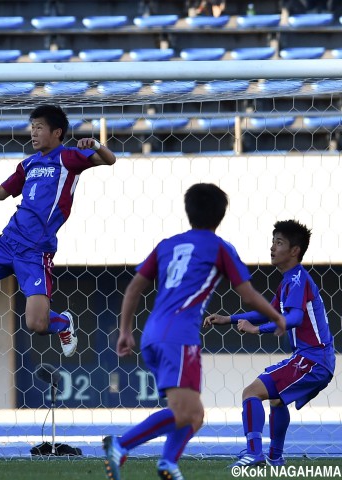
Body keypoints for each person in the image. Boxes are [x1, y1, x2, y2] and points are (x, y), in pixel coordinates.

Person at [102, 183, 286, 480]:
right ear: (221, 214)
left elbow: (135, 287)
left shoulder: (167, 244)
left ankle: (168, 463)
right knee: (187, 412)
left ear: (189, 212)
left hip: (152, 334)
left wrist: (125, 330)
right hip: (180, 337)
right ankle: (121, 445)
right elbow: (249, 295)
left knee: (194, 414)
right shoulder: (220, 248)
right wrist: (276, 317)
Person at [0, 104, 116, 370]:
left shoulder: (69, 158)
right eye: (32, 128)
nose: (34, 133)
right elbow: (0, 192)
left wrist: (96, 144)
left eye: (39, 127)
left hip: (36, 252)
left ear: (57, 132)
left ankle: (62, 322)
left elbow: (110, 160)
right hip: (7, 242)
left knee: (36, 325)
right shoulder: (27, 164)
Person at [204, 220, 335, 468]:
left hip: (312, 359)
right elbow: (268, 312)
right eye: (273, 241)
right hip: (313, 359)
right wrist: (228, 319)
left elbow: (294, 318)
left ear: (294, 250)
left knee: (250, 392)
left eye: (279, 242)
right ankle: (275, 457)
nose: (272, 247)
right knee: (276, 400)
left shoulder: (297, 280)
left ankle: (254, 453)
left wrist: (257, 330)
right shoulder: (290, 281)